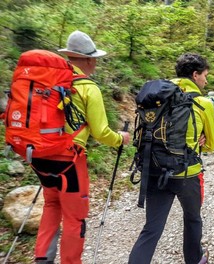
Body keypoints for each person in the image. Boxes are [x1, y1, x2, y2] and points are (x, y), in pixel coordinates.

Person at [30, 30, 131, 264]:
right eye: (94, 58)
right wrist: (120, 139)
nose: (95, 62)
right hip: (70, 161)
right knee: (75, 217)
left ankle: (42, 258)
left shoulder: (49, 80)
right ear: (87, 59)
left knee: (52, 205)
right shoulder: (88, 87)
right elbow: (101, 132)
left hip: (39, 155)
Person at [129, 53, 214, 264]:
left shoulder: (156, 97)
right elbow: (211, 145)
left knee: (151, 228)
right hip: (187, 174)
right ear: (195, 75)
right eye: (205, 75)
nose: (206, 80)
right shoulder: (204, 103)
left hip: (155, 168)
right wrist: (200, 139)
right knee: (193, 219)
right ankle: (195, 260)